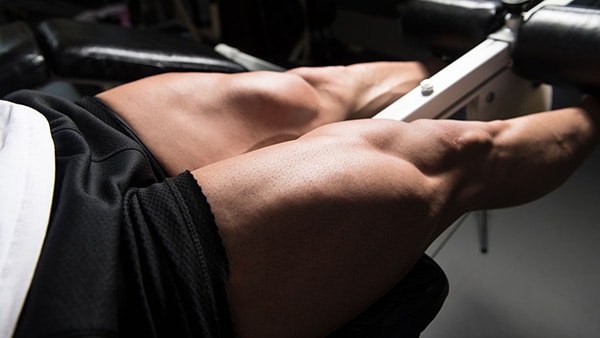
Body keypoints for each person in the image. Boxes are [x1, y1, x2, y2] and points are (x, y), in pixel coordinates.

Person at [1, 58, 599, 338]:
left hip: (32, 145)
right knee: (446, 156)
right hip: (65, 288)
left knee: (304, 90)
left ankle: (483, 46)